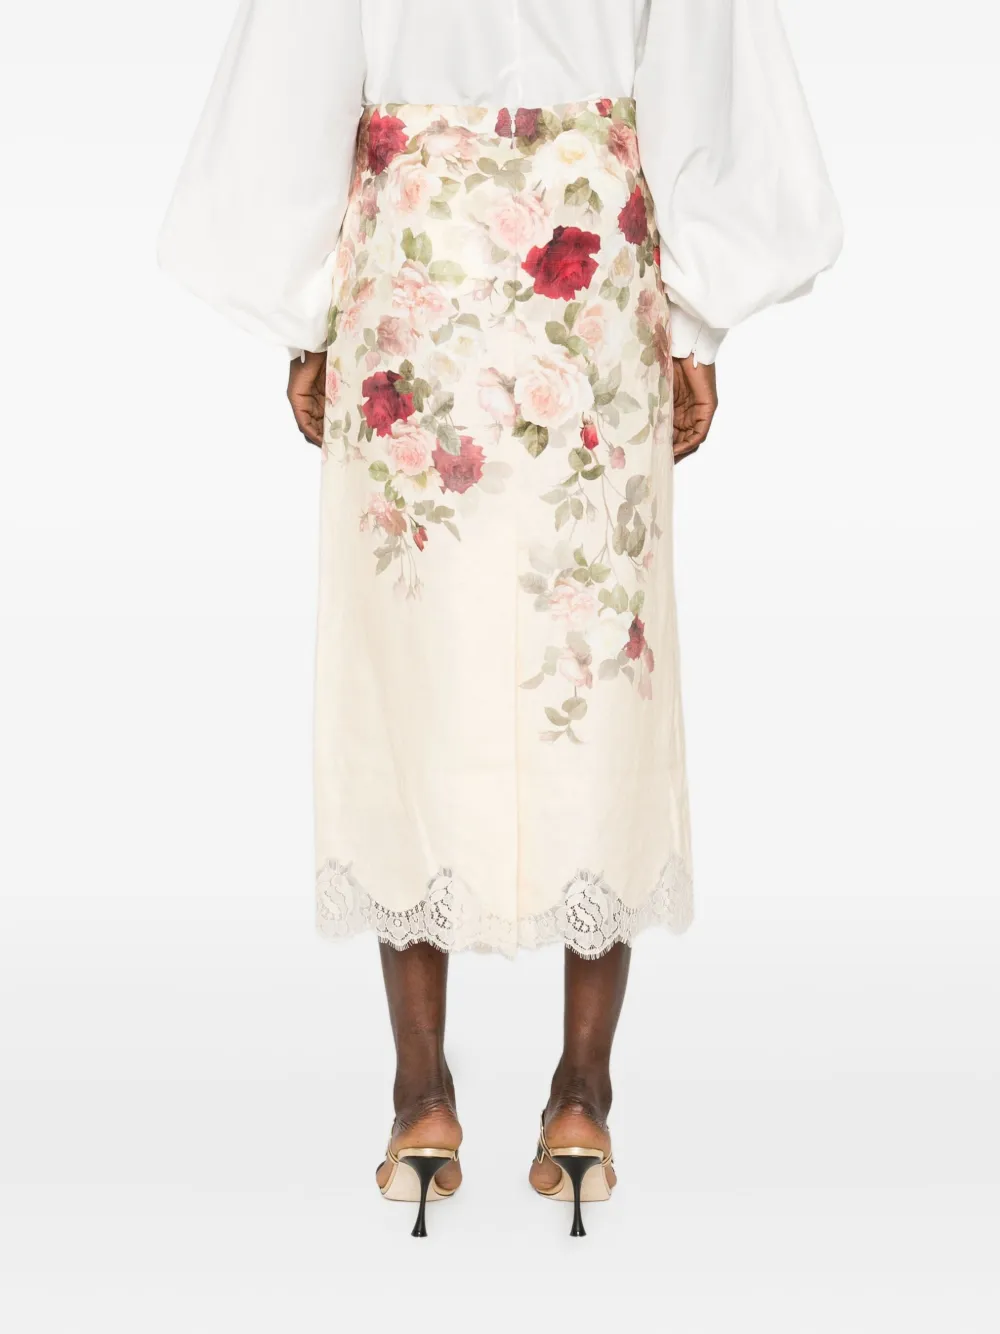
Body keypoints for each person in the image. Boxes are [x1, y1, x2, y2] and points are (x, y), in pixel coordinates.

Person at [159, 0, 842, 1238]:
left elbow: (300, 68)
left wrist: (306, 319)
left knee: (408, 664)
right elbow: (704, 62)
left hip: (415, 265)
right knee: (597, 659)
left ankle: (421, 1097)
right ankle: (582, 1097)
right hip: (590, 271)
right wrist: (695, 321)